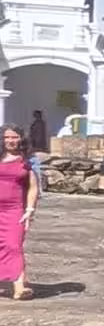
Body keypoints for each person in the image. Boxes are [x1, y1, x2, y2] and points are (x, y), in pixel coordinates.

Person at [0, 128, 31, 303]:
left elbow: (33, 187)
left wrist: (30, 210)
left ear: (21, 139)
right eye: (7, 137)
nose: (11, 140)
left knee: (14, 245)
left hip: (14, 209)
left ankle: (19, 287)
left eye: (15, 137)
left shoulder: (27, 161)